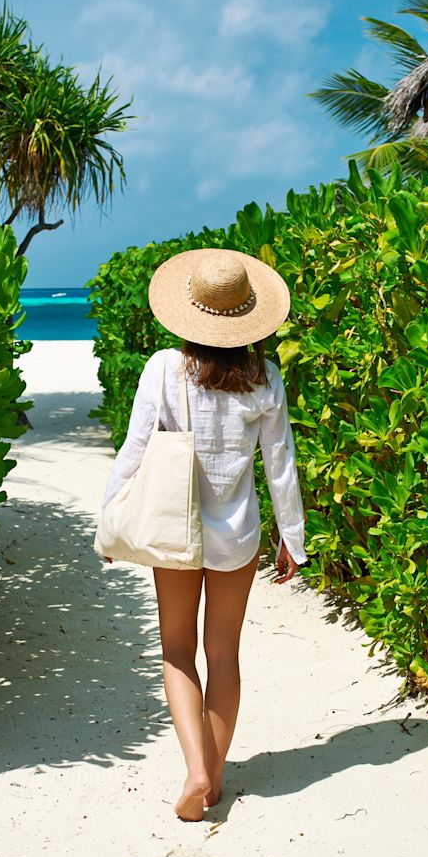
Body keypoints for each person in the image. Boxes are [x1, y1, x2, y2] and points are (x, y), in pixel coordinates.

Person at [99, 247, 306, 823]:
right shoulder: (265, 378)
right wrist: (292, 536)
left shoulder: (164, 368)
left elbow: (135, 449)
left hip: (174, 532)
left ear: (190, 312)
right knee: (223, 654)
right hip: (236, 537)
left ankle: (195, 769)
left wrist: (112, 519)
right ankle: (212, 778)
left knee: (176, 650)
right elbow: (280, 465)